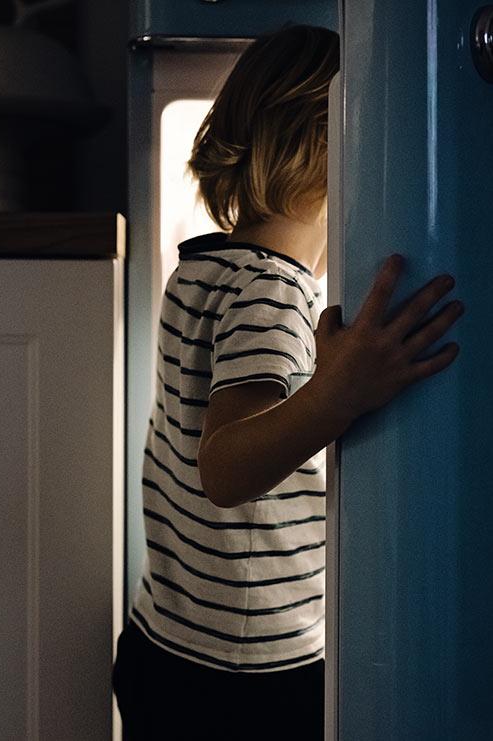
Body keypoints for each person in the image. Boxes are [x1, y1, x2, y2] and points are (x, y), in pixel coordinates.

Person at [112, 22, 464, 741]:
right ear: (332, 147)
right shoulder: (271, 293)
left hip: (166, 640)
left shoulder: (203, 266)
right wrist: (342, 391)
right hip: (247, 677)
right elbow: (225, 465)